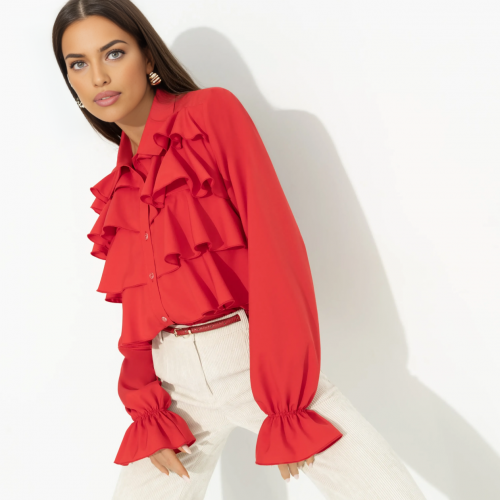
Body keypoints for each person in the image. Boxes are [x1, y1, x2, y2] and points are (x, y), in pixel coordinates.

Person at [52, 1, 427, 498]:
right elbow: (137, 314)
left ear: (147, 57)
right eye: (78, 63)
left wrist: (285, 401)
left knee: (386, 492)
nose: (98, 76)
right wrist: (147, 410)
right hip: (173, 391)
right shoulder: (119, 185)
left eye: (113, 53)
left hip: (254, 366)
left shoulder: (210, 113)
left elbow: (276, 245)